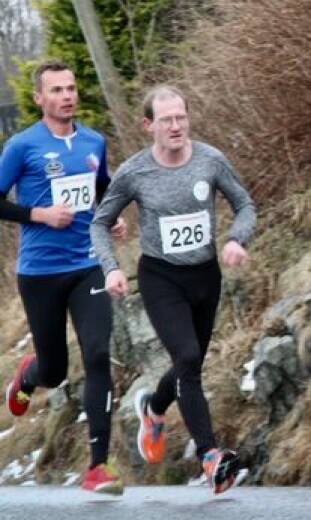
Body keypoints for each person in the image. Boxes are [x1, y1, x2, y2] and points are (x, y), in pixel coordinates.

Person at [90, 85, 256, 495]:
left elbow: (246, 205)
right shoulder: (134, 172)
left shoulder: (211, 160)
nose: (176, 125)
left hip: (206, 275)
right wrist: (111, 269)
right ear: (149, 126)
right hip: (160, 277)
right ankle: (211, 455)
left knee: (190, 366)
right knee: (187, 356)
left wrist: (237, 239)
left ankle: (154, 407)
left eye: (181, 117)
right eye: (166, 120)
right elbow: (99, 222)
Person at [0, 58, 126, 495]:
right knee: (54, 370)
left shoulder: (93, 141)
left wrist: (111, 219)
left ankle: (98, 467)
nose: (67, 96)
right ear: (40, 99)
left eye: (71, 88)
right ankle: (30, 374)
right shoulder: (21, 146)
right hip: (39, 273)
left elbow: (103, 188)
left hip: (88, 264)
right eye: (56, 90)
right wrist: (39, 214)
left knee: (96, 354)